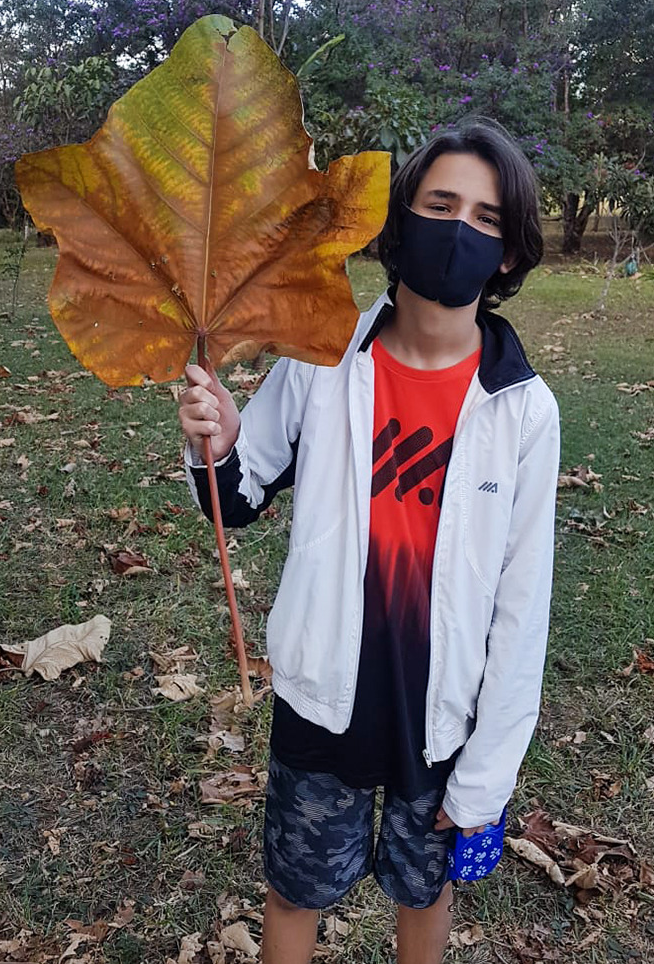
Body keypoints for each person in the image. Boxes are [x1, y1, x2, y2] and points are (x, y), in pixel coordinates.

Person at [179, 118, 560, 964]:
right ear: (403, 219)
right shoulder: (323, 356)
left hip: (441, 716)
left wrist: (488, 776)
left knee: (425, 895)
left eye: (488, 218)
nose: (460, 228)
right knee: (295, 890)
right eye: (441, 203)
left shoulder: (525, 412)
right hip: (321, 696)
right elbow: (237, 495)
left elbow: (521, 607)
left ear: (506, 254)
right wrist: (220, 436)